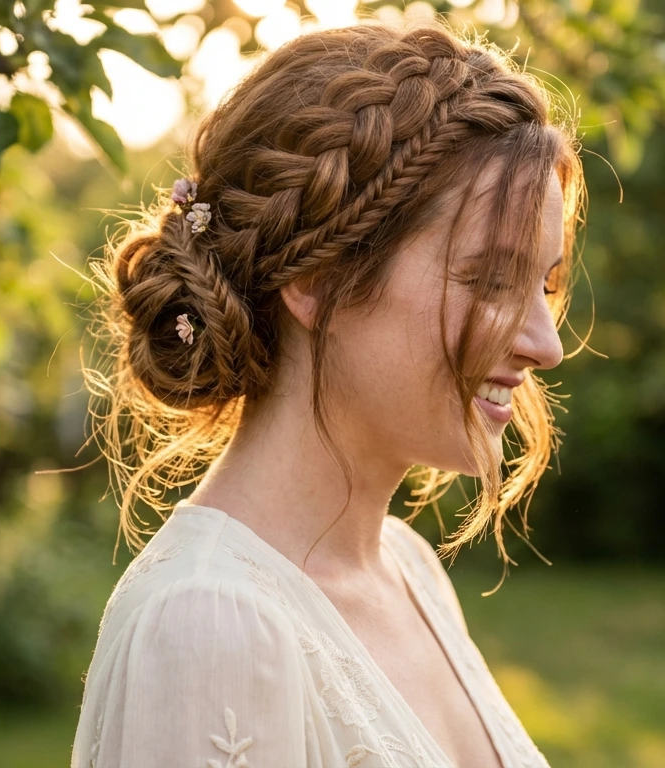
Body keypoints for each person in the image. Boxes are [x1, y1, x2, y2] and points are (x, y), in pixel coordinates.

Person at [70, 16, 585, 768]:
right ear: (317, 279)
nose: (547, 344)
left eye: (544, 284)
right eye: (489, 279)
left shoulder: (408, 571)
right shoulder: (211, 625)